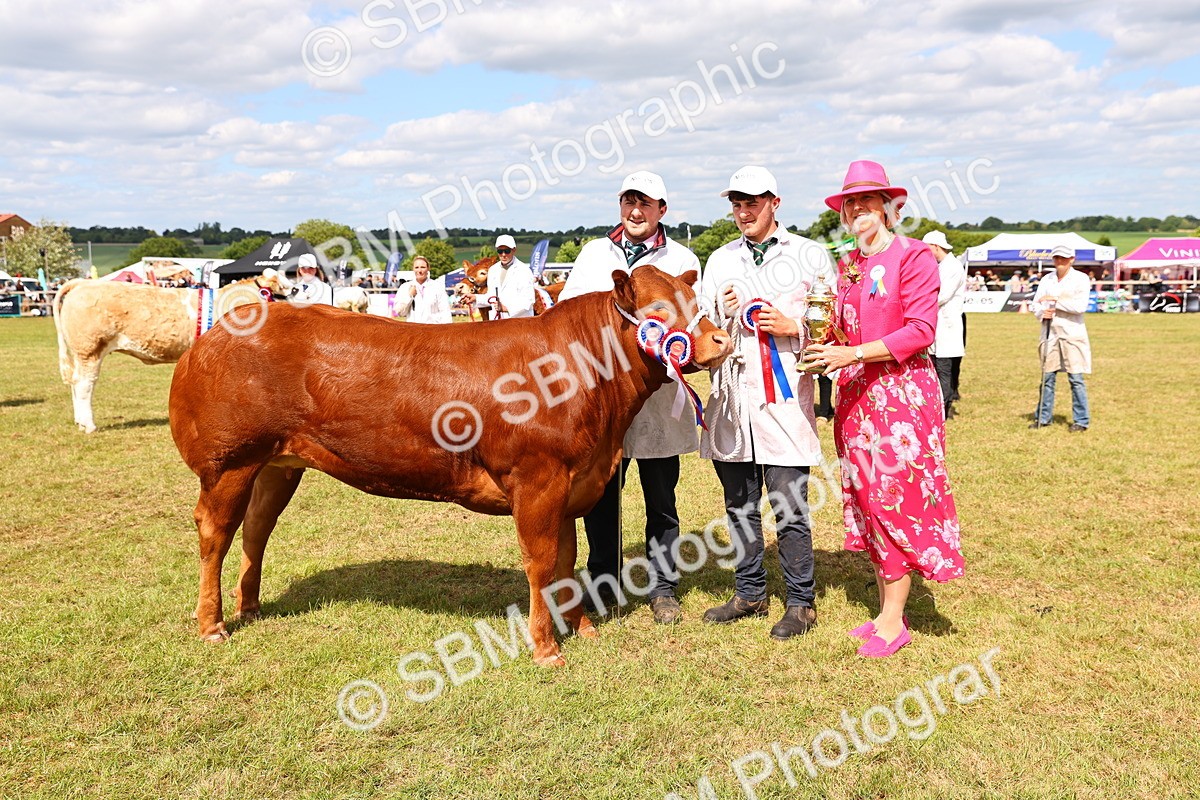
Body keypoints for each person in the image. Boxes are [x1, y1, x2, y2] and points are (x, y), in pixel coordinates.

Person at [805, 160, 965, 658]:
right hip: (857, 398)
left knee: (894, 498)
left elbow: (921, 330)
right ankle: (885, 611)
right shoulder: (848, 264)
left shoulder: (914, 257)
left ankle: (894, 622)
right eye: (850, 201)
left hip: (901, 397)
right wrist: (815, 338)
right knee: (869, 499)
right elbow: (839, 329)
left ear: (889, 207)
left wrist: (851, 353)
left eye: (867, 200)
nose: (857, 208)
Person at [557, 170, 700, 625]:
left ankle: (663, 588)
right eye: (628, 202)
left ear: (662, 210)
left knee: (661, 498)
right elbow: (568, 319)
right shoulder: (594, 254)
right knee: (601, 497)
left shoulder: (681, 258)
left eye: (645, 203)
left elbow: (692, 327)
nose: (635, 212)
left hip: (656, 399)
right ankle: (604, 583)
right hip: (603, 401)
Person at [699, 166, 834, 640]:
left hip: (785, 398)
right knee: (739, 503)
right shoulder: (720, 259)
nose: (743, 211)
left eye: (752, 202)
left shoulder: (809, 254)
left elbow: (835, 321)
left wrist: (794, 326)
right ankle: (749, 591)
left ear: (775, 202)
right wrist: (720, 308)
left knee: (788, 503)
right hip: (733, 397)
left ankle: (801, 602)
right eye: (737, 204)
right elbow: (702, 323)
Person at [1029, 245, 1092, 432]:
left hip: (1072, 333)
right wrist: (1042, 312)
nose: (1059, 261)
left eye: (1063, 258)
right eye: (1056, 258)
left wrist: (1055, 301)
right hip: (1050, 332)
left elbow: (1079, 307)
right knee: (1047, 377)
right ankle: (1043, 417)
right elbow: (1036, 303)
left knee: (1076, 377)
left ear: (1072, 259)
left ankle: (1081, 420)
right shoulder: (1047, 279)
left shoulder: (1081, 279)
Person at [922, 231, 966, 419]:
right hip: (937, 326)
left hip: (947, 327)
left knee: (944, 371)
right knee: (935, 369)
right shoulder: (942, 266)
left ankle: (943, 411)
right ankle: (936, 408)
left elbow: (941, 295)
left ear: (935, 246)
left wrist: (918, 301)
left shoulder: (953, 267)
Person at [483, 235, 535, 319]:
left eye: (507, 251)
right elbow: (491, 296)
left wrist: (506, 308)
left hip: (520, 322)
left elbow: (529, 300)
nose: (503, 255)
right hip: (498, 322)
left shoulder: (524, 270)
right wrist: (475, 298)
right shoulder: (493, 270)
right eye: (500, 251)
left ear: (514, 250)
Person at [394, 255, 452, 324]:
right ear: (413, 269)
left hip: (433, 328)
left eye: (423, 267)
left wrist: (447, 329)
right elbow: (400, 312)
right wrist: (409, 296)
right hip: (413, 328)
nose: (419, 270)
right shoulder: (405, 287)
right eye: (416, 267)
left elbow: (445, 312)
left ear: (428, 268)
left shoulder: (437, 287)